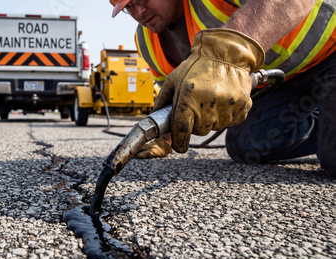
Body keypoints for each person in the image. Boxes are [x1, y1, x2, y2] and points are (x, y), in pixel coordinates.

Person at [110, 0, 336, 175]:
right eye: (129, 7)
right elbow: (173, 99)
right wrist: (164, 140)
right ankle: (326, 126)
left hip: (330, 57)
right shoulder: (147, 42)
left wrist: (231, 49)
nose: (139, 12)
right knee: (244, 146)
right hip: (283, 82)